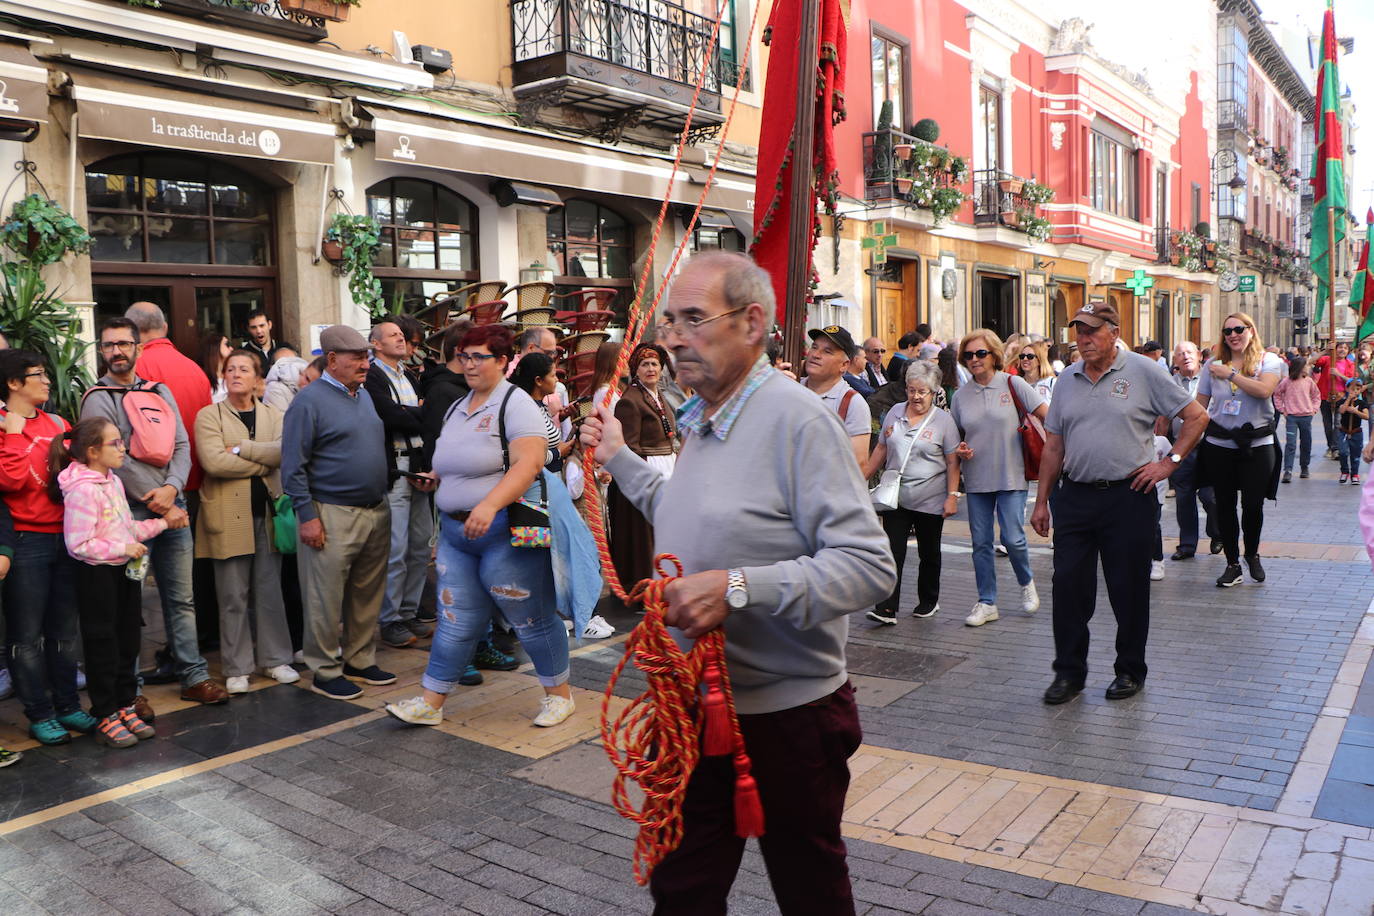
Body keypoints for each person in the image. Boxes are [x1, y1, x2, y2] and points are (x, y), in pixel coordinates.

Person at [580, 251, 895, 914]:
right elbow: (691, 518)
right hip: (693, 707)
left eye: (694, 319)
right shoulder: (699, 413)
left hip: (789, 717)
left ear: (753, 323)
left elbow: (869, 566)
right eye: (670, 321)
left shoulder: (798, 420)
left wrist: (736, 588)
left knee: (809, 888)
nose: (672, 338)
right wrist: (619, 459)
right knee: (682, 888)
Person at [386, 324, 577, 729]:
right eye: (464, 355)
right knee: (455, 617)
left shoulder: (516, 404)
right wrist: (435, 476)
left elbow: (529, 463)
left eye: (479, 357)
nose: (469, 364)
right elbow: (453, 458)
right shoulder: (459, 406)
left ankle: (559, 696)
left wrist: (489, 505)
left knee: (531, 616)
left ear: (504, 361)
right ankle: (431, 701)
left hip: (506, 531)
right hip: (457, 534)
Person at [1031, 302, 1206, 704]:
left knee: (1127, 590)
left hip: (1129, 497)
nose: (1083, 339)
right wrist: (1041, 501)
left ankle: (1129, 671)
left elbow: (1196, 417)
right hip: (1075, 496)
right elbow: (1054, 445)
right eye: (1078, 332)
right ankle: (1068, 674)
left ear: (1114, 330)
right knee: (1068, 588)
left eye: (1092, 331)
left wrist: (1169, 463)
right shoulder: (1067, 379)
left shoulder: (1144, 372)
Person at [82, 319, 227, 707]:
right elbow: (109, 457)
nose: (117, 351)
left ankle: (193, 675)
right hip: (126, 514)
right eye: (110, 345)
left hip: (172, 505)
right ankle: (132, 690)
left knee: (182, 598)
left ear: (138, 348)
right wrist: (153, 498)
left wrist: (172, 488)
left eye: (124, 344)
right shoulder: (97, 397)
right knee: (128, 606)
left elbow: (182, 442)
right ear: (102, 350)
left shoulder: (158, 389)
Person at [281, 325, 396, 700]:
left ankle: (359, 659)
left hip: (374, 509)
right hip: (330, 512)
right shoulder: (308, 402)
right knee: (324, 597)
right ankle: (324, 669)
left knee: (366, 593)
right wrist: (306, 516)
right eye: (357, 357)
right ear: (332, 360)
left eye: (366, 356)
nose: (365, 363)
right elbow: (292, 466)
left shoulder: (361, 395)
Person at [54, 417, 172, 747]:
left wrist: (160, 525)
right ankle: (105, 711)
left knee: (127, 639)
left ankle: (124, 704)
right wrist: (123, 547)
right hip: (97, 575)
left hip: (124, 570)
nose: (123, 449)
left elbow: (127, 528)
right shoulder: (82, 490)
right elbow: (78, 544)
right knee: (102, 642)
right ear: (93, 451)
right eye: (115, 443)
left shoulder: (113, 481)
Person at [0, 350, 96, 745]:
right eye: (37, 375)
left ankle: (68, 705)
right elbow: (10, 481)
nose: (46, 381)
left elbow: (79, 472)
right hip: (25, 540)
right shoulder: (4, 426)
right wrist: (12, 430)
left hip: (65, 536)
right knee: (25, 634)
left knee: (64, 630)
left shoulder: (58, 422)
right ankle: (39, 713)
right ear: (13, 383)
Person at [195, 350, 298, 695]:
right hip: (226, 515)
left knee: (270, 591)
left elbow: (283, 452)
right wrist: (261, 460)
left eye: (244, 369)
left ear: (258, 378)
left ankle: (275, 659)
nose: (236, 374)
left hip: (268, 514)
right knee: (232, 594)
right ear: (223, 376)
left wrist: (240, 448)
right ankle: (236, 667)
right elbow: (214, 463)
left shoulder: (274, 414)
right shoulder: (209, 416)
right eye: (230, 369)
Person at [126, 302, 218, 666]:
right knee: (193, 576)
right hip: (195, 481)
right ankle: (200, 640)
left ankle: (169, 655)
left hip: (154, 490)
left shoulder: (138, 368)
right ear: (164, 325)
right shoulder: (194, 368)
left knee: (157, 579)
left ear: (133, 333)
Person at [950, 329, 1047, 627]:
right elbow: (955, 439)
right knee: (980, 542)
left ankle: (1026, 582)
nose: (975, 359)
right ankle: (987, 602)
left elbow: (1048, 414)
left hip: (1012, 473)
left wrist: (1062, 450)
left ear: (994, 355)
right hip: (977, 477)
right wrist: (961, 449)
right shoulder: (961, 395)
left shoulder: (1012, 383)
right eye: (969, 355)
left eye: (981, 353)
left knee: (1013, 538)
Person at [861, 360, 960, 623]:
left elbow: (952, 462)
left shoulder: (944, 422)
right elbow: (881, 448)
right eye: (911, 390)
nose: (915, 396)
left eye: (922, 392)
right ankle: (886, 607)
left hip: (931, 497)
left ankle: (928, 600)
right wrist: (863, 478)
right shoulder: (894, 411)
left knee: (929, 553)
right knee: (892, 551)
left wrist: (952, 496)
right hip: (897, 496)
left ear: (933, 392)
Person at [1196, 312, 1284, 588]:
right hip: (1220, 444)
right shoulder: (1212, 365)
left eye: (1238, 329)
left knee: (1253, 505)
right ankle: (1232, 564)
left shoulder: (1268, 361)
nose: (1233, 335)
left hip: (1257, 445)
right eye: (1227, 331)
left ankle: (1253, 554)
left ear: (1251, 330)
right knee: (1224, 505)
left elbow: (1264, 391)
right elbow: (1199, 406)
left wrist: (1231, 374)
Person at [364, 320, 436, 650]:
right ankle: (390, 618)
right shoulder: (373, 375)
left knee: (420, 543)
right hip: (395, 468)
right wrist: (415, 413)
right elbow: (387, 415)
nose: (401, 339)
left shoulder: (408, 374)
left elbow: (425, 414)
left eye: (402, 335)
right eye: (393, 335)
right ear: (376, 344)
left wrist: (412, 413)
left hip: (419, 465)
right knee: (395, 548)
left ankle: (409, 611)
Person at [608, 343, 678, 592]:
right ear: (635, 369)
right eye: (644, 364)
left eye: (654, 364)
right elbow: (629, 448)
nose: (650, 369)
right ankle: (642, 588)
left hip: (665, 468)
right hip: (645, 472)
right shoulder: (630, 401)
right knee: (643, 537)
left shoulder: (658, 396)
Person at [1166, 342, 1218, 560]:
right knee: (1184, 497)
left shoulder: (1210, 380)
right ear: (1175, 360)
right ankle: (1187, 545)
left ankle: (1217, 532)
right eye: (1180, 354)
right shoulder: (1169, 384)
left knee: (1210, 496)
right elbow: (1162, 416)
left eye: (1189, 353)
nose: (1185, 357)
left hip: (1208, 447)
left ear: (1198, 356)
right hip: (1182, 448)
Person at [801, 326, 871, 467]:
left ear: (844, 365)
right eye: (814, 347)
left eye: (827, 351)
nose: (816, 354)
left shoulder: (852, 403)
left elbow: (858, 465)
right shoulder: (791, 388)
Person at [1274, 356, 1320, 483]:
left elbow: (1316, 396)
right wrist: (1282, 409)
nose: (1308, 368)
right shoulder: (1286, 382)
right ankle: (1288, 470)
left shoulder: (1309, 381)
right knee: (1291, 444)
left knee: (1306, 442)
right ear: (1299, 367)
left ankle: (1304, 467)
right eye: (1306, 366)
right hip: (1292, 418)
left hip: (1306, 417)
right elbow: (1277, 394)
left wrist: (1314, 409)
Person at [1313, 341, 1354, 460]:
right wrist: (1325, 351)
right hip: (1325, 397)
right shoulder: (1327, 360)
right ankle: (1331, 446)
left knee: (1337, 424)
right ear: (1335, 349)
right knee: (1327, 424)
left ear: (1348, 351)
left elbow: (1352, 381)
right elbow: (1311, 361)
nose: (1342, 350)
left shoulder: (1350, 364)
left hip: (1341, 397)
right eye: (1340, 347)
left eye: (1345, 348)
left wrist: (1338, 374)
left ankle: (1335, 448)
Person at [1337, 379, 1369, 485]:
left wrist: (1355, 411)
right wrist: (1348, 400)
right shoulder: (1342, 401)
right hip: (1344, 431)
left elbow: (1366, 416)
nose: (1354, 391)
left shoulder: (1362, 403)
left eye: (1357, 389)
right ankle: (1344, 471)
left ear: (1360, 390)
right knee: (1342, 452)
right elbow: (1341, 410)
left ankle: (1354, 473)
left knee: (1355, 455)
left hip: (1356, 432)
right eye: (1352, 389)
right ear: (1347, 389)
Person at [242, 309, 291, 375]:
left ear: (269, 325)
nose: (258, 331)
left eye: (262, 326)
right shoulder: (243, 353)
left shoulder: (285, 348)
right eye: (253, 327)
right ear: (248, 329)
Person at [197, 332, 231, 404]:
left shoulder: (232, 375)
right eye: (226, 344)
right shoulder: (202, 379)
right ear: (215, 347)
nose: (231, 348)